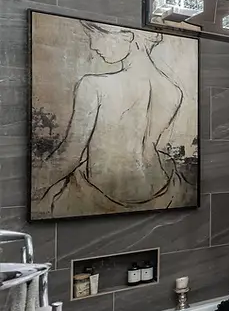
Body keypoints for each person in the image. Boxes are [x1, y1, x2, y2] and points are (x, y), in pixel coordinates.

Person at [32, 22, 194, 217]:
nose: (93, 45)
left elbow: (71, 154)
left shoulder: (93, 85)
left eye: (97, 34)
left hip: (99, 195)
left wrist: (33, 189)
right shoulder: (173, 91)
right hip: (164, 192)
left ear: (128, 36)